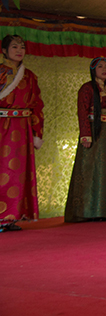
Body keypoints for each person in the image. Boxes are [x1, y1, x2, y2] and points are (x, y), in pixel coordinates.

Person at [64, 57, 106, 222]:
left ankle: (99, 211)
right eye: (100, 66)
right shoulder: (87, 88)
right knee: (87, 170)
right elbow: (82, 111)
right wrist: (86, 134)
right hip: (94, 131)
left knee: (103, 171)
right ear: (93, 70)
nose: (104, 69)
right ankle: (82, 212)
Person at [0, 35, 44, 232]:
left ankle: (12, 217)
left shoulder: (30, 76)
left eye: (22, 47)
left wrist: (36, 132)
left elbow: (37, 105)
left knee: (17, 174)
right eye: (14, 47)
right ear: (4, 50)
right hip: (2, 126)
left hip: (22, 130)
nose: (19, 50)